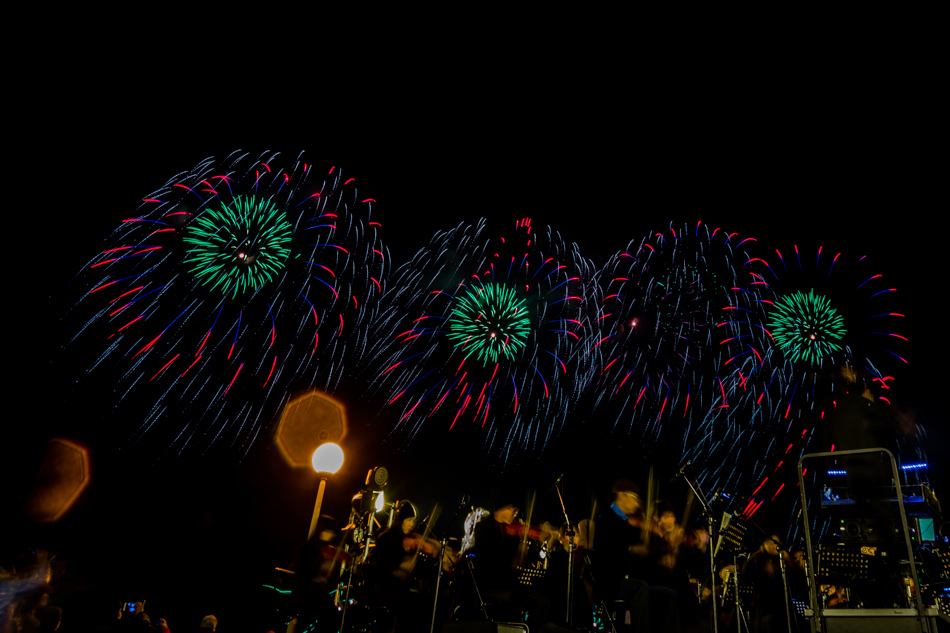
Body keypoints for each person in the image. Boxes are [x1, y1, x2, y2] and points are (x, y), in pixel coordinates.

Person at [593, 478, 677, 632]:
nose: (637, 504)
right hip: (610, 582)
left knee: (669, 594)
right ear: (621, 495)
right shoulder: (607, 518)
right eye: (634, 498)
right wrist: (633, 550)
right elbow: (610, 553)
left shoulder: (624, 522)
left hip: (625, 579)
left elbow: (638, 552)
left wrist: (661, 554)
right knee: (640, 588)